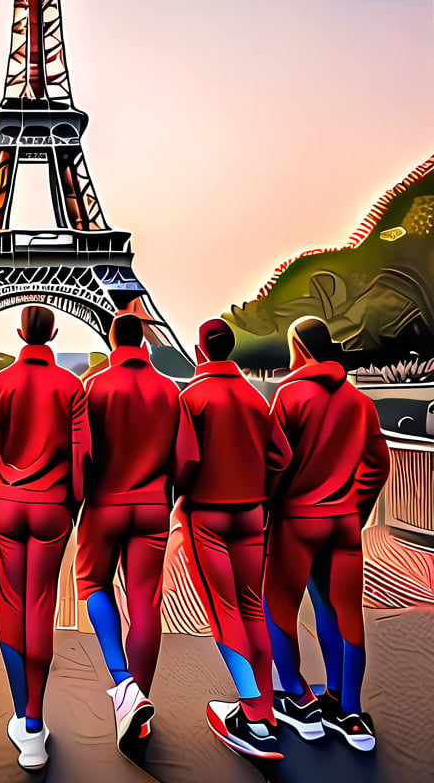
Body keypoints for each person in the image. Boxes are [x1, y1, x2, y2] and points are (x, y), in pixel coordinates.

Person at [264, 316, 390, 751]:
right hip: (343, 522)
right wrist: (355, 509)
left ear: (298, 345)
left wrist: (270, 509)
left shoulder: (290, 394)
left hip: (297, 521)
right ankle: (348, 711)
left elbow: (275, 462)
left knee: (277, 607)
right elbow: (378, 466)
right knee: (341, 613)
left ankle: (298, 701)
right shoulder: (360, 402)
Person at [75, 312, 197, 754]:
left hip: (105, 504)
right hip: (152, 508)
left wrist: (83, 495)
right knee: (145, 602)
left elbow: (83, 453)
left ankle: (122, 684)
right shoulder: (171, 389)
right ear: (144, 339)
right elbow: (187, 461)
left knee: (91, 583)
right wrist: (168, 493)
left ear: (110, 339)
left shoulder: (95, 387)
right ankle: (137, 708)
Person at [0, 305, 89, 770]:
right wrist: (73, 504)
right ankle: (34, 720)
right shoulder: (71, 385)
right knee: (41, 605)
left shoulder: (0, 382)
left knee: (11, 604)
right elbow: (83, 457)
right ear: (56, 331)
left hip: (6, 503)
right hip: (53, 508)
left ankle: (22, 715)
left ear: (21, 332)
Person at [176, 318, 291, 762]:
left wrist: (184, 494)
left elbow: (185, 462)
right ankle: (264, 706)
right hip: (252, 513)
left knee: (223, 613)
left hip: (208, 515)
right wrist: (263, 491)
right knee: (250, 607)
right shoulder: (255, 397)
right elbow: (282, 456)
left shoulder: (192, 398)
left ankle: (252, 721)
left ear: (201, 350)